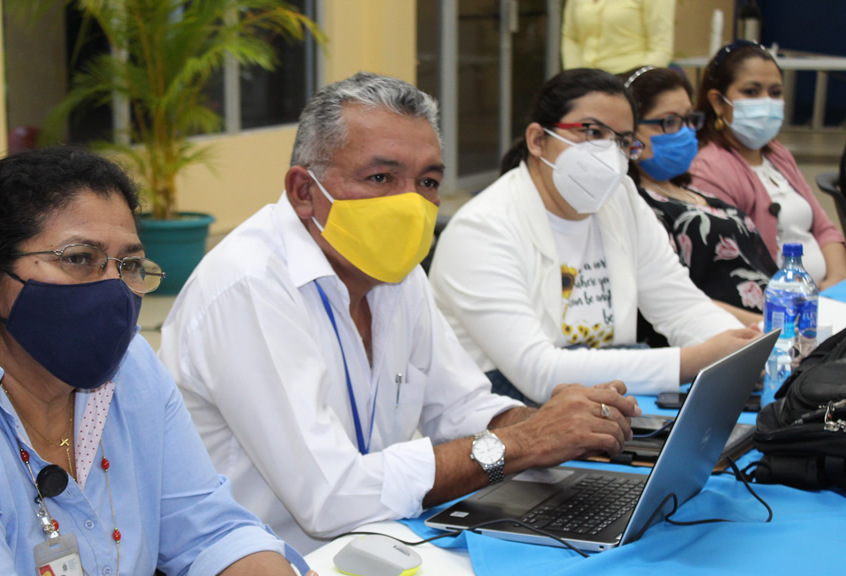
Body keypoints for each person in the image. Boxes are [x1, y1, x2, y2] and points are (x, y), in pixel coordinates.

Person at [159, 72, 641, 554]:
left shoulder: (395, 271)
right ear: (304, 191)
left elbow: (459, 407)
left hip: (381, 542)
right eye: (380, 177)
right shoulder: (249, 284)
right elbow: (330, 497)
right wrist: (527, 442)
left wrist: (558, 424)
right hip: (275, 560)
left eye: (428, 181)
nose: (411, 204)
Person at [0, 148, 310, 576]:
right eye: (78, 258)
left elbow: (211, 532)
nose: (112, 288)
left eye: (128, 264)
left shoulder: (129, 365)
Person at [428, 68, 758, 406]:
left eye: (622, 141)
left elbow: (680, 305)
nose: (608, 153)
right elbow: (539, 373)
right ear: (537, 140)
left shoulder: (621, 199)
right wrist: (693, 361)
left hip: (603, 409)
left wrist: (739, 347)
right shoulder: (482, 229)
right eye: (591, 131)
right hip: (505, 426)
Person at [622, 65, 777, 329]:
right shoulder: (637, 205)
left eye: (688, 119)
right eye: (670, 122)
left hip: (778, 324)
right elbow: (677, 300)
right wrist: (775, 326)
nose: (685, 132)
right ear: (629, 132)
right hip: (734, 335)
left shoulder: (692, 192)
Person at [689, 40, 846, 290]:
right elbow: (737, 264)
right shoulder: (708, 168)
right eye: (751, 92)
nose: (766, 102)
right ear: (718, 102)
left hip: (827, 295)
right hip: (780, 306)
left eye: (775, 93)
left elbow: (825, 229)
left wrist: (836, 282)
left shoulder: (777, 153)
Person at [561, 0, 675, 74]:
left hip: (630, 84)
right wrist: (574, 76)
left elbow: (660, 49)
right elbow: (571, 36)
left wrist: (636, 84)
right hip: (585, 83)